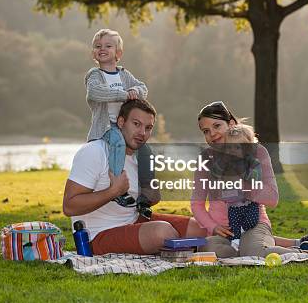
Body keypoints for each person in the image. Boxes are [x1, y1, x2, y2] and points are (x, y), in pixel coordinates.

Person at [63, 99, 206, 255]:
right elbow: (70, 206)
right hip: (98, 235)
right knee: (162, 233)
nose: (142, 133)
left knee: (198, 228)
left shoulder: (141, 157)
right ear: (121, 122)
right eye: (136, 124)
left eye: (148, 128)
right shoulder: (95, 151)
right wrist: (113, 191)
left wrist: (151, 195)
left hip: (133, 221)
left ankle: (187, 248)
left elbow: (144, 202)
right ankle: (188, 249)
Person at [192, 101, 308, 258]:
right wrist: (213, 227)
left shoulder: (257, 152)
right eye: (206, 131)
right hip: (223, 232)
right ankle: (284, 245)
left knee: (254, 252)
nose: (212, 134)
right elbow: (196, 204)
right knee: (209, 250)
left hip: (253, 224)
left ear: (231, 124)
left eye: (217, 126)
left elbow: (272, 198)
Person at [86, 28, 152, 209]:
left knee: (146, 151)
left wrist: (135, 91)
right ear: (94, 53)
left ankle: (146, 196)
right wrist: (123, 94)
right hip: (106, 128)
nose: (102, 48)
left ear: (118, 53)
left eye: (108, 45)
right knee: (118, 142)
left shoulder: (123, 74)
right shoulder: (95, 76)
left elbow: (142, 88)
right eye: (98, 46)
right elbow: (95, 93)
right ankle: (117, 189)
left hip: (124, 126)